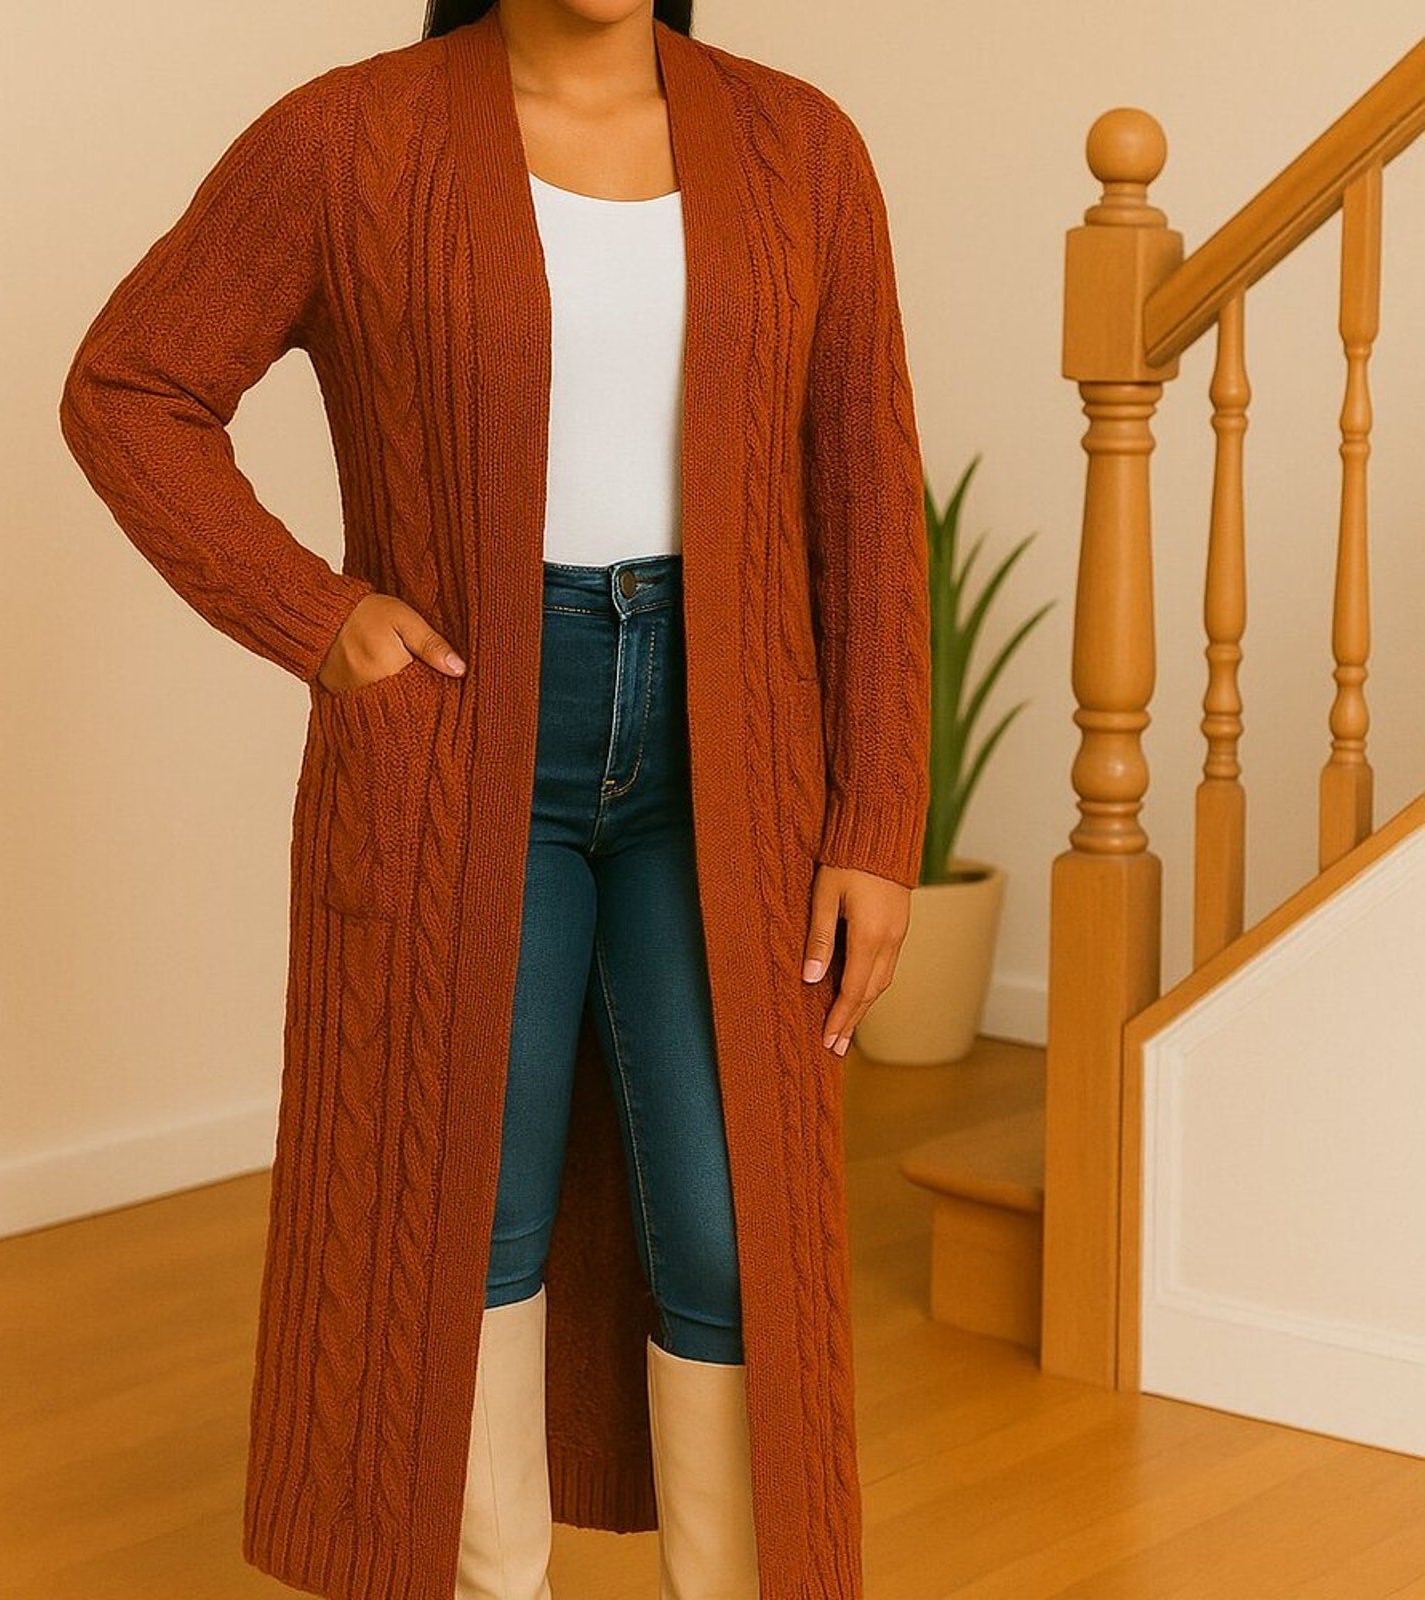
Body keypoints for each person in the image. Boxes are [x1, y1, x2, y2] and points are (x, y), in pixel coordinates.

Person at [58, 2, 930, 1597]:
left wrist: (878, 817)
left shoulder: (804, 148)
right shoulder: (348, 139)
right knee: (462, 1220)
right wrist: (316, 616)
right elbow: (130, 388)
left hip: (731, 767)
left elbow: (863, 486)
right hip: (465, 755)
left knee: (739, 1241)